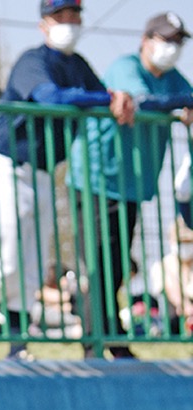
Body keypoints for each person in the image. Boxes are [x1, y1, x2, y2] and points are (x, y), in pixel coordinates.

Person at [0, 0, 136, 359]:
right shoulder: (33, 60)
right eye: (59, 16)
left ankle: (17, 348)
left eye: (74, 16)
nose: (69, 23)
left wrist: (132, 100)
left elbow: (112, 98)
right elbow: (49, 95)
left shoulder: (77, 65)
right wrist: (107, 97)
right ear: (43, 25)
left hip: (45, 173)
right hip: (8, 167)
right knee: (6, 262)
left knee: (31, 264)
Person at [68, 11, 193, 358]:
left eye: (177, 43)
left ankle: (114, 336)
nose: (171, 49)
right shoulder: (127, 67)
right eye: (165, 40)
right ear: (146, 39)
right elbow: (143, 101)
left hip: (132, 186)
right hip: (96, 179)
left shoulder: (174, 79)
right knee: (97, 262)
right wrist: (182, 104)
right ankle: (94, 343)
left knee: (119, 262)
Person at [150, 218, 193, 331]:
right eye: (181, 242)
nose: (185, 246)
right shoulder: (163, 265)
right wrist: (185, 306)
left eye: (188, 242)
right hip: (174, 315)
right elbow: (168, 287)